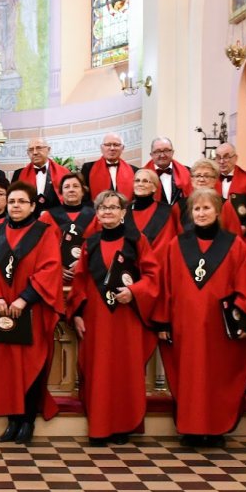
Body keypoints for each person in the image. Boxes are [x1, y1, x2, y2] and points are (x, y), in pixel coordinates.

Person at [153, 188, 246, 449]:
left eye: (207, 208)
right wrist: (163, 321)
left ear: (218, 212)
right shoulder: (177, 245)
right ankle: (190, 428)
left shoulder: (235, 245)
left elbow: (245, 286)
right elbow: (166, 286)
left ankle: (216, 427)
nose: (201, 213)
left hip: (220, 328)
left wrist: (241, 319)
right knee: (189, 377)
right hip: (184, 324)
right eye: (196, 209)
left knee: (217, 376)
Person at [68, 190, 159, 446]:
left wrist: (134, 291)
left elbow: (153, 276)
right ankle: (99, 426)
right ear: (96, 214)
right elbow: (81, 281)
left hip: (127, 317)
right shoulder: (90, 243)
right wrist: (76, 314)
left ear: (123, 212)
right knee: (99, 370)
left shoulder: (136, 240)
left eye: (112, 207)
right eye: (102, 208)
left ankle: (122, 425)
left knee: (124, 370)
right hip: (97, 319)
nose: (107, 211)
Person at [0, 182, 64, 444]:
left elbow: (50, 268)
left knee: (30, 365)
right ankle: (12, 420)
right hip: (1, 309)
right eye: (11, 201)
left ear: (33, 206)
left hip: (30, 310)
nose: (15, 206)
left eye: (21, 202)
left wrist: (24, 299)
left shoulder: (44, 232)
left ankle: (27, 421)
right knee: (6, 367)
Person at [38, 173, 100, 285]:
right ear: (61, 193)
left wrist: (83, 263)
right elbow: (39, 249)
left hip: (87, 277)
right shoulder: (47, 217)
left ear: (83, 191)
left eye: (75, 186)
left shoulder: (96, 217)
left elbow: (101, 246)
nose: (71, 190)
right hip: (54, 278)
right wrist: (57, 266)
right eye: (67, 187)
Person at [214, 142, 246, 236]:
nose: (221, 161)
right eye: (218, 157)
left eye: (226, 157)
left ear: (235, 158)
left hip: (242, 233)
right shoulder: (211, 179)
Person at [125, 168, 182, 253]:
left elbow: (167, 244)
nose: (140, 184)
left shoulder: (166, 212)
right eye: (137, 181)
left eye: (145, 181)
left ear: (154, 188)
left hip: (157, 263)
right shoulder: (124, 212)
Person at [181, 159, 241, 235]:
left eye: (207, 176)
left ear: (215, 180)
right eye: (198, 176)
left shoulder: (224, 205)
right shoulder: (180, 206)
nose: (201, 179)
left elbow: (235, 234)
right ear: (192, 179)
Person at [12, 138, 70, 215]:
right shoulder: (18, 174)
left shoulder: (64, 173)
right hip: (28, 221)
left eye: (39, 148)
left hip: (57, 220)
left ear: (48, 150)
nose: (35, 152)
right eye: (31, 150)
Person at [80, 133, 137, 198]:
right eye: (108, 145)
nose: (112, 148)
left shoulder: (134, 171)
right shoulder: (88, 168)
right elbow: (84, 194)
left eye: (116, 145)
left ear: (123, 148)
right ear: (101, 148)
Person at [142, 137, 192, 205]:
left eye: (166, 150)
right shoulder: (141, 176)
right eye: (157, 151)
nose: (162, 155)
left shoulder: (187, 172)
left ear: (172, 152)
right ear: (151, 155)